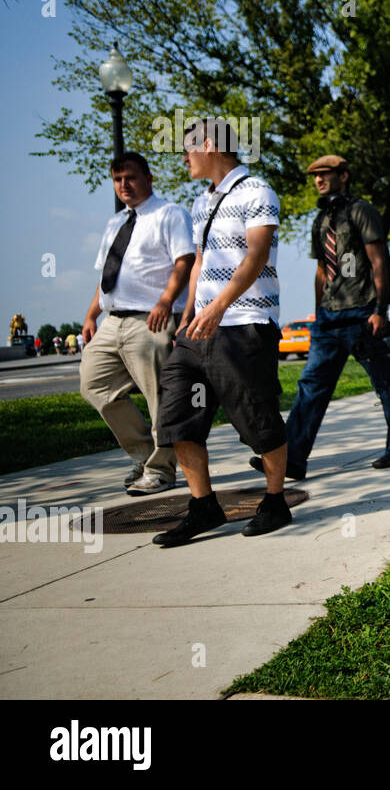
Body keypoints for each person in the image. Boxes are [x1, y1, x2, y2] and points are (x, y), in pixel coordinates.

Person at [151, 117, 292, 547]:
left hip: (244, 324)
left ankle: (275, 501)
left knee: (256, 418)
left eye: (189, 147)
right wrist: (187, 318)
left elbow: (257, 253)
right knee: (176, 418)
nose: (185, 157)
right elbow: (198, 262)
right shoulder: (200, 202)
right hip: (198, 331)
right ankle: (203, 506)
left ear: (211, 144)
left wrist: (219, 306)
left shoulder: (257, 191)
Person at [250, 155, 390, 480]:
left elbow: (378, 260)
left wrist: (380, 310)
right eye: (315, 176)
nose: (319, 180)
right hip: (329, 317)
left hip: (362, 312)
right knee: (311, 384)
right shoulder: (321, 219)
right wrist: (318, 313)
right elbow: (321, 271)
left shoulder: (361, 210)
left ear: (344, 176)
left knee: (383, 381)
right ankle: (293, 457)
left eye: (325, 175)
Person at [80, 151, 195, 495]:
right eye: (117, 180)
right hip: (113, 319)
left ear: (148, 177)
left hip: (152, 319)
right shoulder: (116, 223)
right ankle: (145, 455)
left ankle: (161, 471)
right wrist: (91, 313)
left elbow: (184, 261)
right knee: (93, 383)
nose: (123, 185)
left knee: (158, 396)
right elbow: (107, 274)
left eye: (130, 177)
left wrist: (164, 301)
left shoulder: (169, 214)